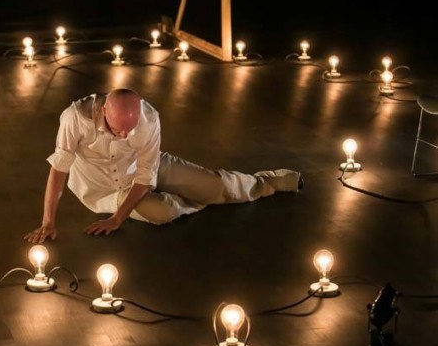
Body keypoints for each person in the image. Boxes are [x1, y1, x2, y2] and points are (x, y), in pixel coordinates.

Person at [24, 88, 303, 243]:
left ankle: (267, 182)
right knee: (163, 211)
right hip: (107, 189)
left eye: (129, 130)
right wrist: (48, 222)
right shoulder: (75, 118)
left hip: (148, 168)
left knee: (215, 185)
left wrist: (118, 219)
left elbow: (146, 173)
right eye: (117, 129)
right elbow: (59, 169)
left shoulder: (148, 118)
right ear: (104, 110)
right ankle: (190, 201)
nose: (124, 135)